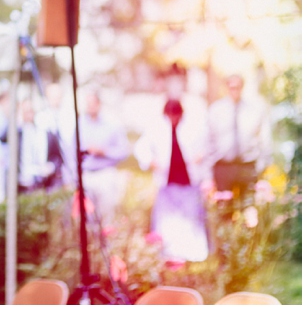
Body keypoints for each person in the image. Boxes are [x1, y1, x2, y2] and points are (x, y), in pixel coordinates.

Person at [135, 99, 208, 262]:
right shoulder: (157, 127)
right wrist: (151, 161)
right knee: (167, 220)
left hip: (189, 180)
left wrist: (200, 156)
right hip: (167, 181)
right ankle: (168, 253)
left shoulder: (193, 126)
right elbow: (141, 148)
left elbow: (207, 145)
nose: (173, 119)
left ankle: (192, 254)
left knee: (191, 217)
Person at [206, 74, 272, 196]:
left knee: (248, 208)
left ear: (242, 87)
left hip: (247, 166)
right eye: (232, 87)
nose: (235, 90)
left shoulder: (253, 110)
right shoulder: (216, 110)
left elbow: (263, 140)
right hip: (223, 167)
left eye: (238, 87)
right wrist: (209, 170)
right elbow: (209, 141)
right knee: (224, 209)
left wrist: (261, 165)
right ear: (227, 88)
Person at [73, 90, 130, 224]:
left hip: (105, 174)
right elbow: (71, 152)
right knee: (86, 215)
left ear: (99, 104)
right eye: (88, 104)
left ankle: (106, 240)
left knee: (106, 214)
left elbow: (124, 151)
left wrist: (104, 152)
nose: (90, 107)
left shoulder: (112, 124)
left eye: (93, 103)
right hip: (86, 174)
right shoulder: (79, 124)